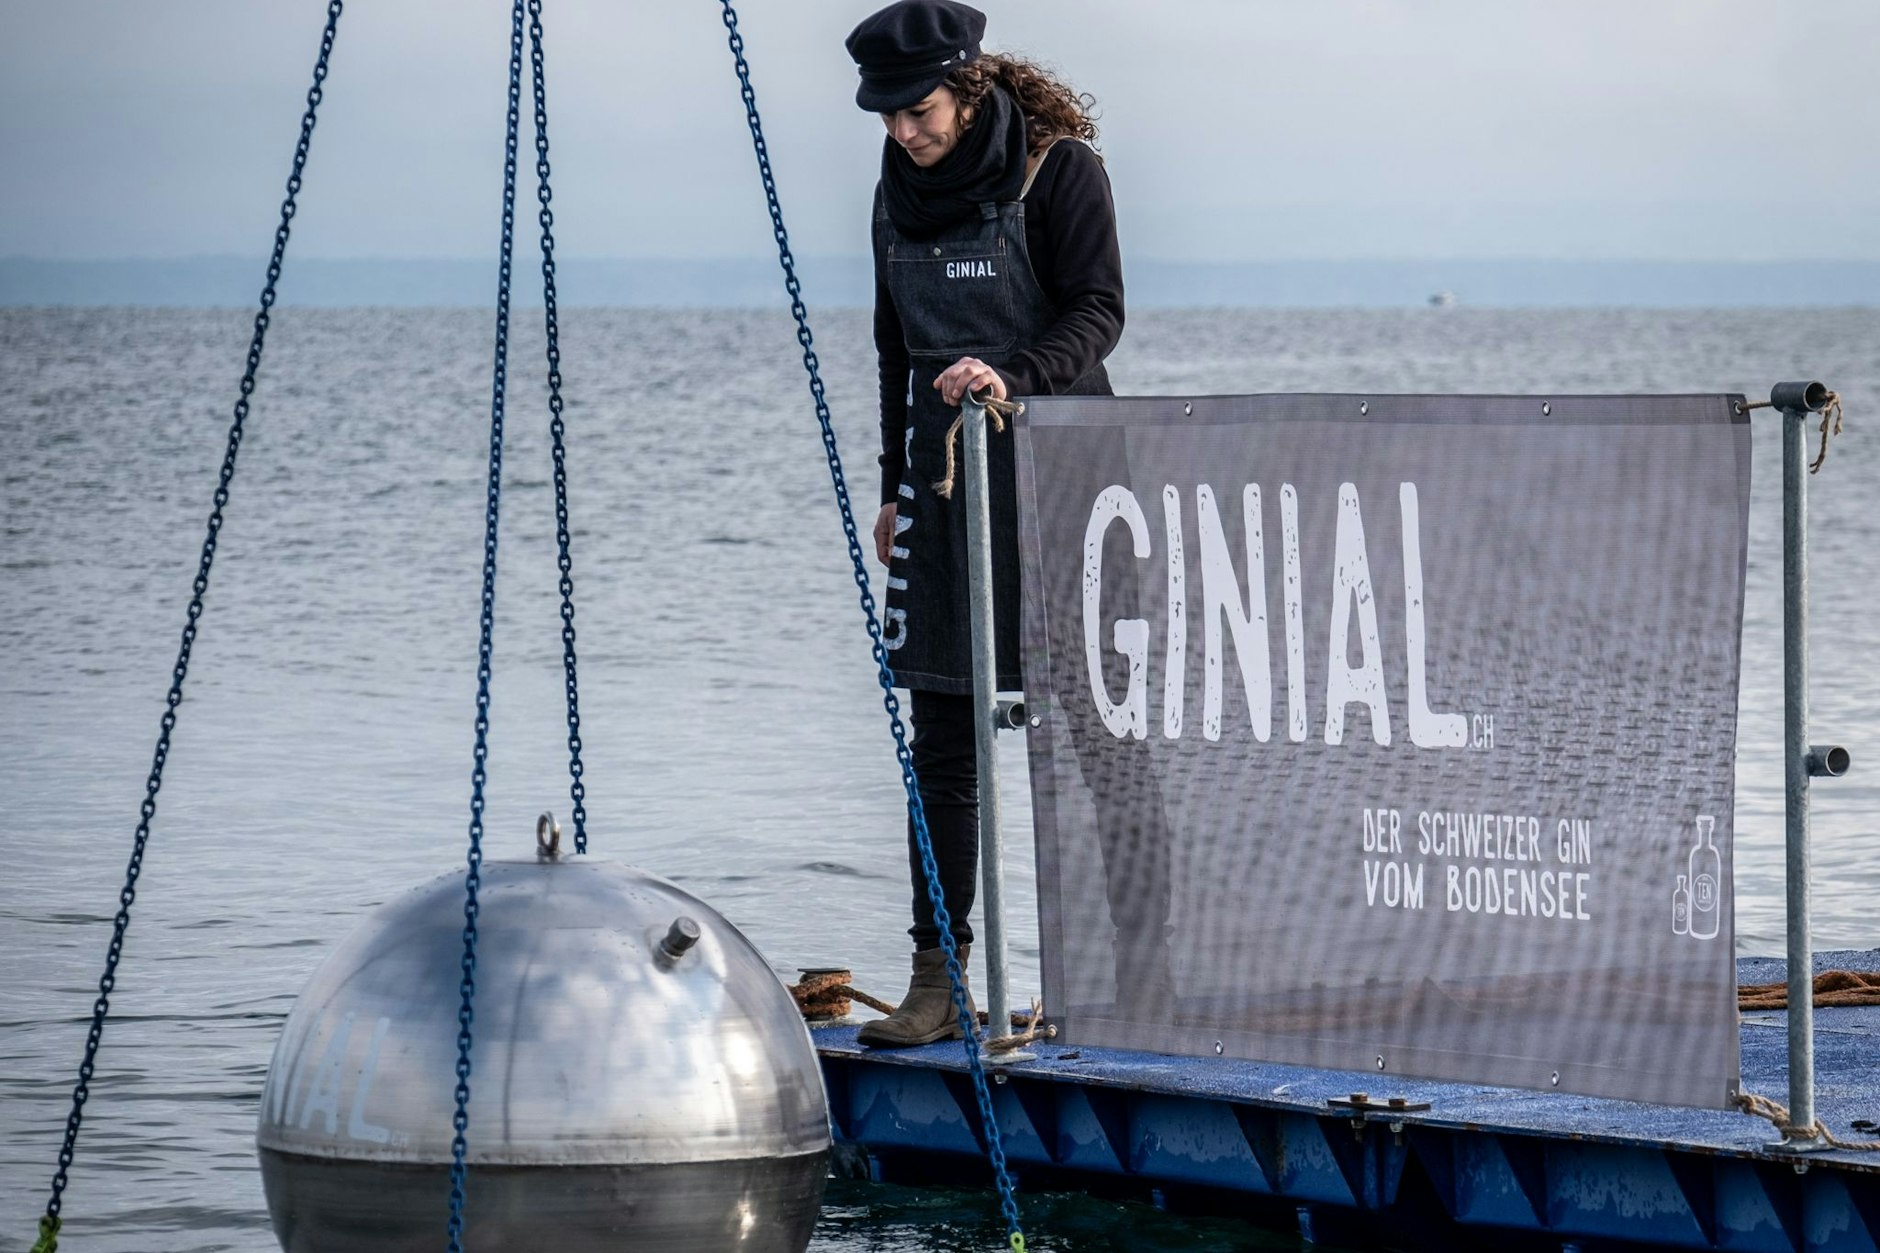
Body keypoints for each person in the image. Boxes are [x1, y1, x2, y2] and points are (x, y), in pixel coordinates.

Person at [845, 0, 1131, 1047]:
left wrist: (1011, 376)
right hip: (942, 483)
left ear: (965, 88)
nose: (900, 133)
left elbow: (1097, 311)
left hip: (1068, 473)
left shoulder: (1059, 173)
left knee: (1100, 737)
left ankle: (1127, 970)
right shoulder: (894, 191)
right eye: (883, 118)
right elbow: (893, 351)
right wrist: (891, 483)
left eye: (915, 112)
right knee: (943, 742)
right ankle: (936, 978)